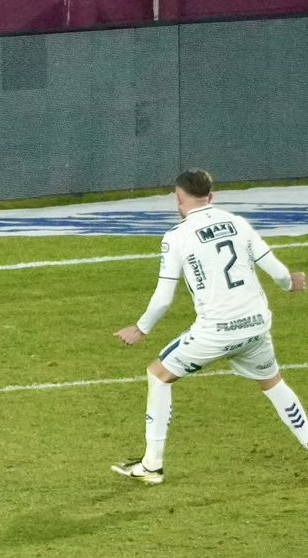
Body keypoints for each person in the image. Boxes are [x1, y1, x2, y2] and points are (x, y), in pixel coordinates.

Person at [113, 168, 308, 484]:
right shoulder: (238, 223)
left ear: (178, 199)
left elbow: (164, 297)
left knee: (158, 375)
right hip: (256, 326)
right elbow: (276, 269)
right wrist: (290, 284)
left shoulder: (177, 237)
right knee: (273, 383)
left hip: (216, 331)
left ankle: (152, 466)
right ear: (211, 197)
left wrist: (140, 328)